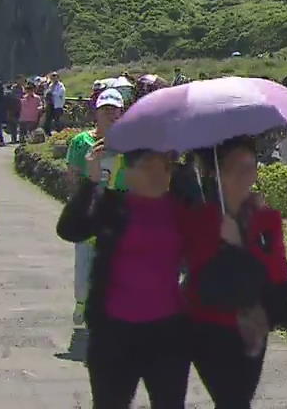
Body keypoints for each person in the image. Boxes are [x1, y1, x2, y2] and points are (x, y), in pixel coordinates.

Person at [56, 136, 190, 408]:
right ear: (128, 172)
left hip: (167, 335)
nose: (156, 175)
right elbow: (69, 229)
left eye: (164, 167)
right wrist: (91, 182)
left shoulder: (182, 210)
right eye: (146, 167)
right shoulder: (111, 205)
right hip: (113, 333)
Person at [178, 137, 287, 408]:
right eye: (236, 168)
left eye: (250, 167)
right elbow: (196, 271)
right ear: (219, 172)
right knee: (231, 401)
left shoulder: (266, 218)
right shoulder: (202, 216)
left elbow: (277, 273)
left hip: (251, 326)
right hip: (207, 326)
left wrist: (240, 243)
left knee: (237, 401)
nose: (246, 176)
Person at [65, 88, 126, 326]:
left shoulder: (130, 145)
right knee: (85, 263)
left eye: (114, 110)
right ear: (96, 113)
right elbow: (71, 176)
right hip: (91, 211)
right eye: (105, 110)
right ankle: (82, 303)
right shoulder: (81, 143)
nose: (110, 114)